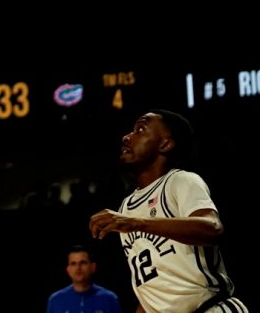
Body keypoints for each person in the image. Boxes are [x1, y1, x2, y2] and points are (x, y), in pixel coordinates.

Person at [89, 110, 248, 313]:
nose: (127, 137)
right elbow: (150, 287)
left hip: (210, 307)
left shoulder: (180, 181)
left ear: (165, 144)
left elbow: (213, 228)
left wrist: (137, 222)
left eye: (140, 130)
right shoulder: (126, 206)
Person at [46, 245, 122, 313]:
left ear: (93, 267)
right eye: (73, 263)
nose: (78, 268)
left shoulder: (109, 299)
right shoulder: (56, 300)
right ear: (68, 269)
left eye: (83, 262)